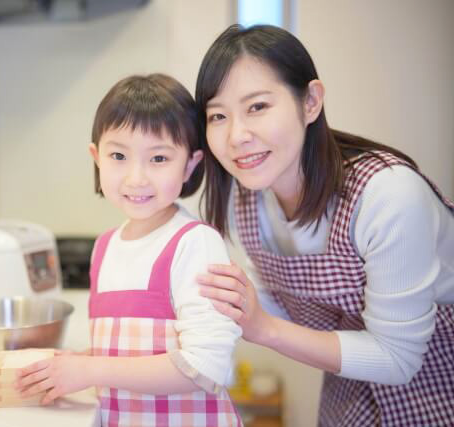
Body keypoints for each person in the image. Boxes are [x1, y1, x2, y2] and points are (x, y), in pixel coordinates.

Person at [194, 24, 454, 426]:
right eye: (217, 115)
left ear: (311, 101)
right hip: (348, 393)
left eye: (257, 107)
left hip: (438, 390)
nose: (236, 136)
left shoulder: (388, 194)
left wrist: (264, 328)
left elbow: (398, 359)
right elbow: (273, 302)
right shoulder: (246, 198)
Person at [14, 74, 243, 426]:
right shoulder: (103, 247)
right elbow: (128, 354)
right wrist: (75, 364)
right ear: (97, 157)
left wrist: (89, 368)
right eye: (119, 155)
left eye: (159, 158)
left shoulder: (195, 243)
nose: (136, 178)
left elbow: (206, 365)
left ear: (190, 164)